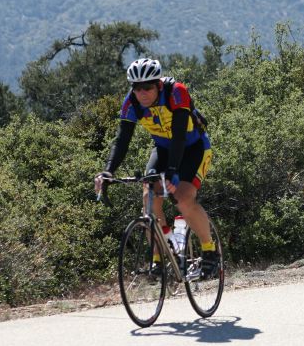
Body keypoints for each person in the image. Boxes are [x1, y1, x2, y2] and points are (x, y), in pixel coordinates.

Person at [94, 58, 219, 277]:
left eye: (147, 88)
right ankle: (161, 256)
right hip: (162, 149)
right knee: (149, 198)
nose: (142, 93)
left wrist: (172, 171)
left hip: (193, 148)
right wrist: (108, 171)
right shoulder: (131, 103)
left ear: (158, 85)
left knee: (183, 197)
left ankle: (210, 251)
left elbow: (179, 135)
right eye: (136, 88)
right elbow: (122, 140)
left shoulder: (176, 93)